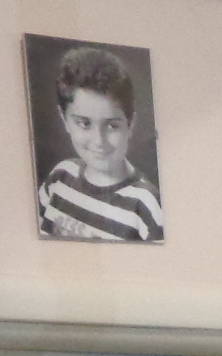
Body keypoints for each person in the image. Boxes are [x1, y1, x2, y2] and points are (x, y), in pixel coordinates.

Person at [37, 46, 164, 243]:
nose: (99, 141)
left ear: (130, 124)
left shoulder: (147, 204)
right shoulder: (59, 177)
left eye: (112, 125)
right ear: (65, 120)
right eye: (84, 124)